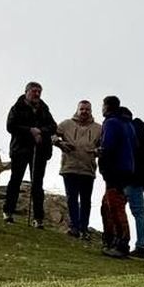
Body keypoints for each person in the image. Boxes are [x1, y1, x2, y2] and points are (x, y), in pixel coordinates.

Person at [3, 81, 57, 224]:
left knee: (37, 184)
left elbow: (53, 126)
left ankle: (38, 217)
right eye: (34, 91)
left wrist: (40, 131)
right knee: (15, 180)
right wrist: (29, 131)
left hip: (39, 151)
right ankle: (8, 211)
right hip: (20, 149)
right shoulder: (17, 108)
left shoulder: (44, 109)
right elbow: (11, 126)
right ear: (26, 92)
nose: (37, 94)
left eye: (39, 91)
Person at [54, 99, 101, 238]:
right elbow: (53, 134)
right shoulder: (66, 124)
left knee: (86, 200)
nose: (84, 112)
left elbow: (104, 145)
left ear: (91, 111)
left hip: (88, 168)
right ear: (77, 110)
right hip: (70, 167)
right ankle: (74, 227)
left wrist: (99, 151)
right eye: (82, 109)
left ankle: (84, 228)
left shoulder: (99, 128)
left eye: (87, 109)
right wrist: (59, 142)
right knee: (72, 198)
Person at [97, 95, 136, 259]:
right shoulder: (128, 124)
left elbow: (108, 145)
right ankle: (111, 240)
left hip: (115, 169)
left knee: (115, 204)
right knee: (107, 204)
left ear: (106, 107)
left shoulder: (111, 122)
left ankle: (121, 243)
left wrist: (100, 152)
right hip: (127, 168)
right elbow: (135, 144)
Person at [118, 105, 144, 259]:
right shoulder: (141, 132)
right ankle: (140, 246)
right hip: (138, 178)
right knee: (139, 212)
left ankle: (124, 243)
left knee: (121, 209)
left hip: (128, 177)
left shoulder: (128, 131)